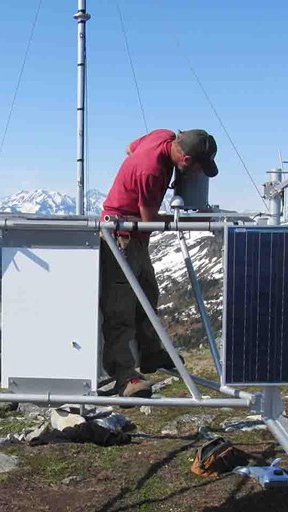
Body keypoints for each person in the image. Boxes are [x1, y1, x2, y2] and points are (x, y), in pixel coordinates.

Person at [99, 128, 219, 398]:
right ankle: (123, 376)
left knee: (147, 294)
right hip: (121, 235)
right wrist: (179, 220)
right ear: (186, 161)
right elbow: (149, 217)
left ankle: (151, 353)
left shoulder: (162, 135)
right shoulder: (151, 171)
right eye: (199, 167)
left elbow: (131, 146)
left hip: (134, 236)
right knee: (120, 307)